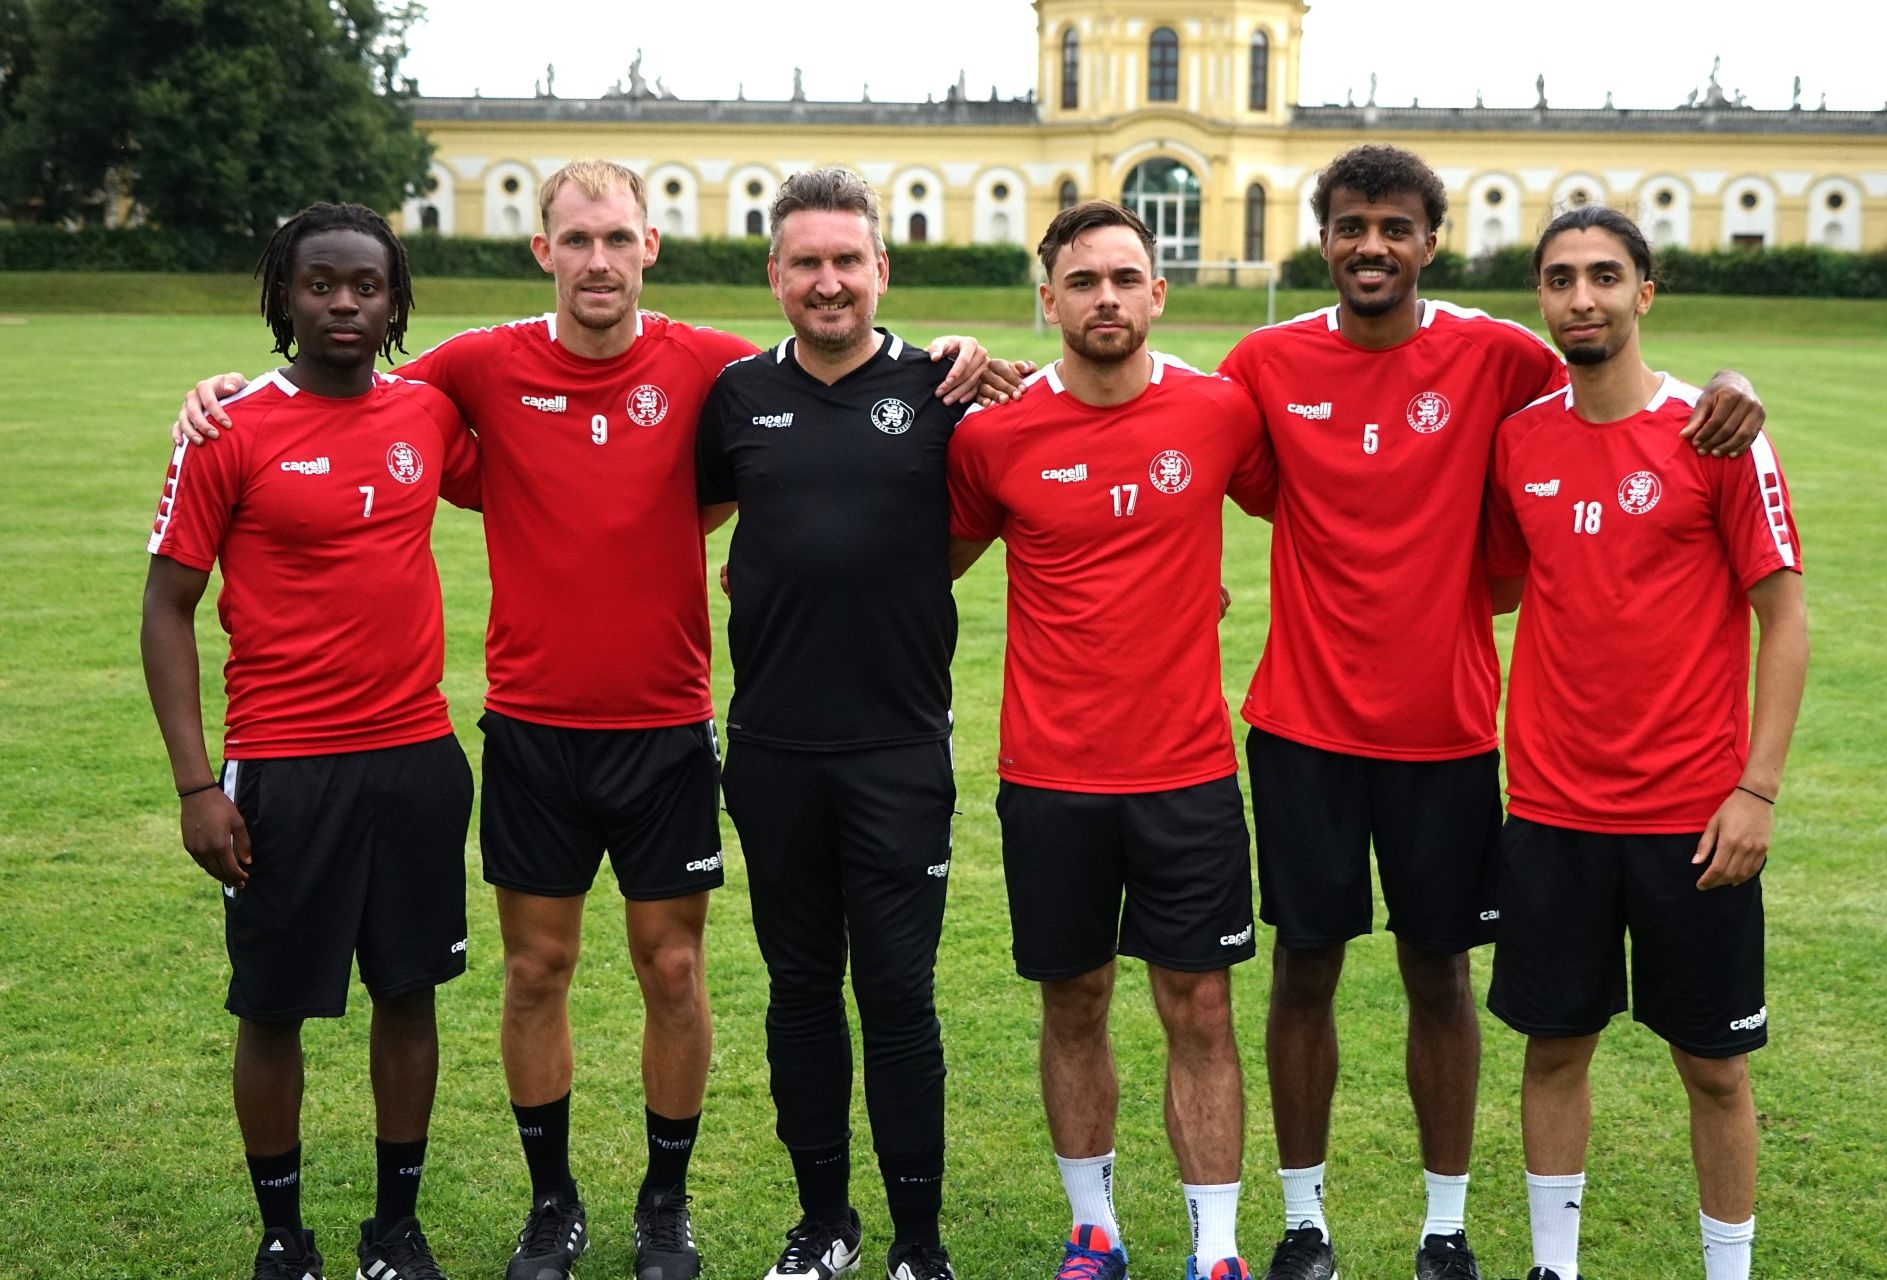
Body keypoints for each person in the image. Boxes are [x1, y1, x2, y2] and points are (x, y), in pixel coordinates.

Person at [175, 160, 990, 1280]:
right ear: (543, 251)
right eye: (576, 239)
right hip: (530, 726)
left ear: (650, 245)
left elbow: (805, 422)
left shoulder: (715, 368)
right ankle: (551, 1203)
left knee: (674, 969)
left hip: (666, 725)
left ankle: (665, 1205)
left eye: (617, 238)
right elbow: (349, 377)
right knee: (534, 973)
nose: (597, 260)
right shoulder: (476, 365)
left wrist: (957, 353)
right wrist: (225, 389)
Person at [1215, 144, 1765, 1280]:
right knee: (1303, 968)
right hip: (1302, 729)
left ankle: (1445, 1227)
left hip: (1450, 732)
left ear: (1432, 241)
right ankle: (1305, 1220)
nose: (1373, 245)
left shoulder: (1497, 354)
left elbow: (1613, 375)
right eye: (1352, 224)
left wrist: (1733, 381)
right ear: (1324, 239)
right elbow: (1171, 434)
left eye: (1396, 227)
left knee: (1441, 973)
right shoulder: (1264, 360)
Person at [142, 203, 481, 1280]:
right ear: (284, 296)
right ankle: (284, 1233)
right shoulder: (228, 428)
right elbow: (165, 609)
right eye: (320, 284)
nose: (343, 303)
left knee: (408, 991)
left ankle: (396, 1227)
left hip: (417, 758)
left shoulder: (428, 413)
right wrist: (197, 786)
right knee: (274, 1005)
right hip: (282, 767)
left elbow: (548, 453)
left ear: (396, 302)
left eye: (365, 287)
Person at [947, 201, 1278, 1280]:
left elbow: (1326, 513)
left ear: (1158, 294)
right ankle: (1093, 1229)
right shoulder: (994, 435)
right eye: (1083, 281)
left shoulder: (1218, 412)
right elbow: (916, 569)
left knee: (1202, 1005)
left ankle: (1217, 1248)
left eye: (1125, 278)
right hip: (1051, 776)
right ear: (1048, 299)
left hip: (1188, 771)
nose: (1106, 298)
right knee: (1075, 999)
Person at [1483, 206, 1806, 1280]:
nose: (1582, 297)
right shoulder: (1520, 440)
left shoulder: (1716, 433)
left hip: (1693, 819)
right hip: (1552, 810)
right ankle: (1554, 1266)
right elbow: (1493, 584)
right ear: (1542, 297)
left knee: (1714, 1066)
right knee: (1553, 1049)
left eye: (1605, 276)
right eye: (1560, 278)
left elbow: (1784, 617)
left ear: (1645, 293)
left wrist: (1757, 790)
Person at [696, 168, 971, 1280]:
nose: (827, 281)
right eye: (805, 262)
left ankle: (918, 1243)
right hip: (774, 750)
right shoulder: (735, 395)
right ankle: (824, 1224)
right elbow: (689, 515)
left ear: (881, 270)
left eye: (846, 260)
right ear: (775, 275)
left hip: (898, 750)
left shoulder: (944, 387)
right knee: (800, 991)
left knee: (899, 995)